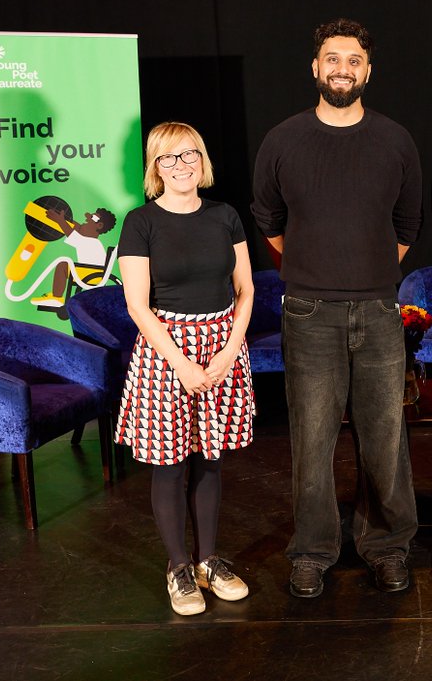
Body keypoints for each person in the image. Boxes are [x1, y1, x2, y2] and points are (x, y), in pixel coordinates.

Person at [251, 18, 422, 598]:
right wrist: (314, 269)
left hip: (377, 310)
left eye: (353, 60)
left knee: (385, 439)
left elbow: (407, 225)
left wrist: (367, 270)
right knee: (312, 440)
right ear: (315, 68)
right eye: (332, 58)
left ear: (367, 71)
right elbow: (269, 223)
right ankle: (313, 550)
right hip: (307, 312)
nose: (342, 69)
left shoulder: (395, 140)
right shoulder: (283, 140)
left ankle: (388, 546)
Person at [114, 122, 257, 616]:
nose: (181, 165)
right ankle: (178, 567)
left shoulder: (225, 215)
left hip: (222, 347)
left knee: (210, 459)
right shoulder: (139, 222)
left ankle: (209, 560)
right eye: (169, 158)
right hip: (165, 351)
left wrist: (228, 352)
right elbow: (136, 304)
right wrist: (181, 363)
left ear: (203, 160)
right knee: (170, 465)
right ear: (155, 167)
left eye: (190, 154)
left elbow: (246, 290)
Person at [30, 207, 116, 308]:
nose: (85, 220)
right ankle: (55, 296)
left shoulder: (90, 242)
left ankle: (56, 297)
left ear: (99, 225)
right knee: (64, 264)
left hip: (90, 273)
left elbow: (71, 233)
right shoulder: (92, 241)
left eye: (90, 220)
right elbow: (77, 228)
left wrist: (60, 220)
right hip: (91, 272)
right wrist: (64, 219)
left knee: (63, 264)